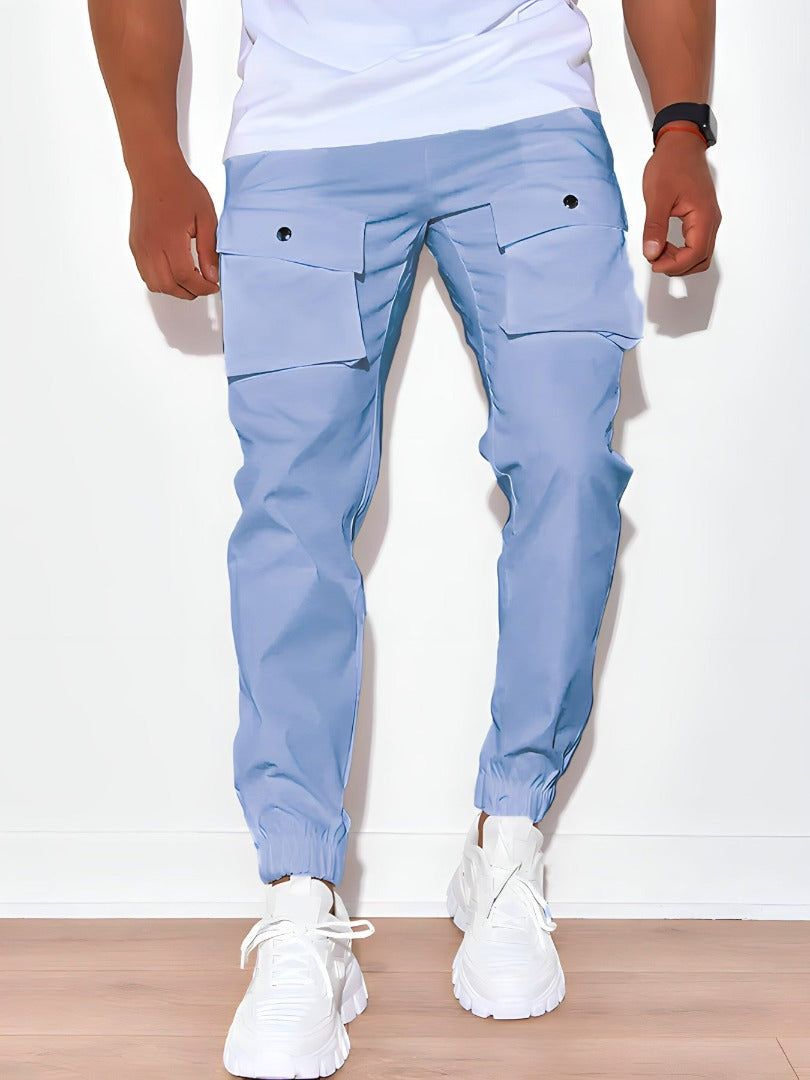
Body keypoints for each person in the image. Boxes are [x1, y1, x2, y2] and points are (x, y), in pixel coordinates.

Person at [88, 1, 720, 1076]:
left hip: (526, 111)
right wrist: (152, 158)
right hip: (304, 134)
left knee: (569, 469)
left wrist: (682, 126)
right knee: (292, 509)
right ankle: (300, 902)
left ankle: (506, 844)